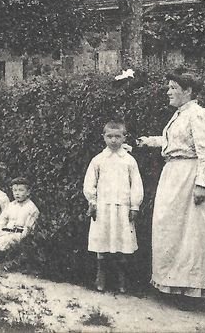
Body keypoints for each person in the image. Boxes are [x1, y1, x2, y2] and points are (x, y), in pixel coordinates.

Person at [137, 68, 205, 309]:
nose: (168, 92)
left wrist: (202, 183)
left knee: (191, 235)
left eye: (173, 88)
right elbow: (175, 142)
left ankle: (191, 293)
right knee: (171, 231)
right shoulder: (180, 114)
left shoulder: (198, 114)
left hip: (189, 177)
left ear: (188, 91)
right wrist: (149, 142)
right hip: (174, 176)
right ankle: (173, 286)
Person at [84, 120, 144, 293]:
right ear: (103, 137)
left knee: (123, 243)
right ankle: (100, 275)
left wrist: (134, 206)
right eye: (109, 136)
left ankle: (122, 279)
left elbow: (136, 185)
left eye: (118, 136)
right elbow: (90, 184)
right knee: (102, 242)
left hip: (122, 209)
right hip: (103, 209)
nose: (113, 140)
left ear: (124, 138)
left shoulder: (129, 161)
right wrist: (92, 203)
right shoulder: (98, 160)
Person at [0, 176, 39, 255]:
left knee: (6, 241)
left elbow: (29, 227)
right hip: (6, 231)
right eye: (15, 190)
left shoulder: (31, 208)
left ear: (28, 192)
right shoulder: (11, 205)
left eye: (21, 190)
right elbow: (2, 220)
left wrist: (22, 237)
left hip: (18, 234)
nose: (17, 193)